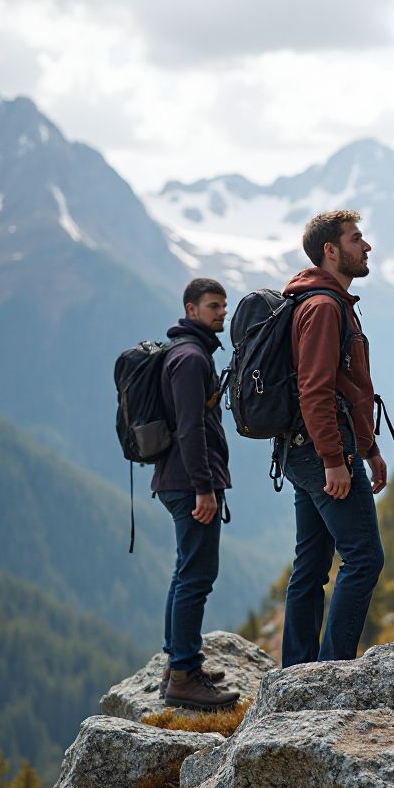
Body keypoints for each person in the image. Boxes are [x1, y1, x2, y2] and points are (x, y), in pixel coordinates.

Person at [279, 209, 387, 667]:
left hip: (305, 450)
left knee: (311, 565)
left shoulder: (325, 303)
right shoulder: (323, 308)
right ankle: (331, 670)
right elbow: (316, 389)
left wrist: (371, 450)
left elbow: (349, 388)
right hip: (323, 451)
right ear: (331, 250)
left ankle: (298, 672)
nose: (366, 247)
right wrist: (335, 459)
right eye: (356, 238)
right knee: (364, 558)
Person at [153, 277, 240, 709]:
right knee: (196, 576)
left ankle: (179, 661)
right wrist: (204, 489)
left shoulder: (188, 353)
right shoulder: (190, 359)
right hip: (190, 484)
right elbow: (190, 429)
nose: (221, 312)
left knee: (186, 571)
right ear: (191, 310)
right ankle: (184, 676)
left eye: (223, 305)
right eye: (213, 306)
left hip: (177, 480)